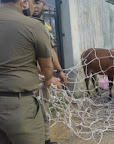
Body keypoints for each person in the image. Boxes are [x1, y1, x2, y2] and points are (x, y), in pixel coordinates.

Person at [0, 0, 53, 143]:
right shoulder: (33, 26)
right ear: (23, 2)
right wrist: (48, 79)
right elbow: (47, 67)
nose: (33, 5)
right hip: (19, 107)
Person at [32, 1, 68, 144]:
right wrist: (47, 77)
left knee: (45, 109)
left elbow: (51, 51)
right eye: (32, 2)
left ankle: (46, 139)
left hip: (44, 77)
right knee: (32, 113)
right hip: (31, 77)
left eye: (37, 2)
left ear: (44, 4)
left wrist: (59, 71)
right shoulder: (24, 24)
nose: (35, 6)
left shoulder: (46, 26)